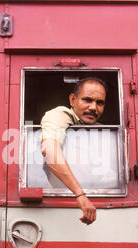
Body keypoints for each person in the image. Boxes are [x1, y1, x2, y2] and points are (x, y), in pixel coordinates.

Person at [40, 77, 107, 225]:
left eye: (100, 103)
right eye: (87, 100)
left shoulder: (102, 131)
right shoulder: (60, 115)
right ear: (72, 100)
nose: (94, 107)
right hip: (55, 209)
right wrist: (81, 195)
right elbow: (49, 151)